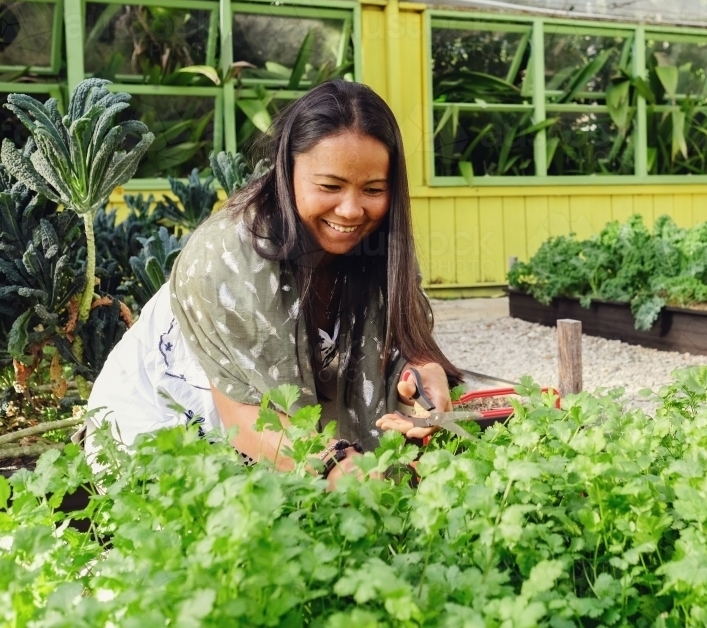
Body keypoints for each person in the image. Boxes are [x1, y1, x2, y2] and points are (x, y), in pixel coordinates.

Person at [86, 80, 460, 487]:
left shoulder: (379, 246)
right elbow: (245, 416)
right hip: (160, 437)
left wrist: (426, 375)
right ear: (287, 171)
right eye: (329, 186)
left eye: (373, 189)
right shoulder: (228, 257)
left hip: (273, 445)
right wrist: (334, 465)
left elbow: (406, 345)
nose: (352, 210)